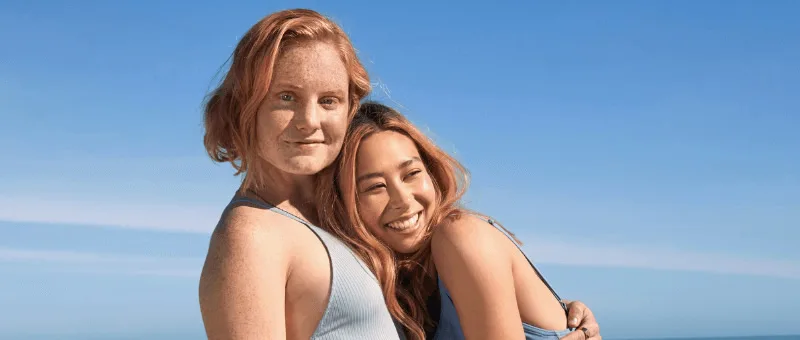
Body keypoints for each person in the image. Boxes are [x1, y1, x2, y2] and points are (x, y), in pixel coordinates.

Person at [198, 7, 600, 340]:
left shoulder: (337, 226)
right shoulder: (253, 235)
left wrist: (554, 311)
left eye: (329, 100)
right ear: (244, 105)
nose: (309, 121)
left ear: (349, 110)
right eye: (286, 97)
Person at [316, 102, 603, 340]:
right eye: (375, 187)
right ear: (343, 204)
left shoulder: (461, 237)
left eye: (411, 174)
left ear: (432, 174)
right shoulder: (395, 287)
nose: (402, 200)